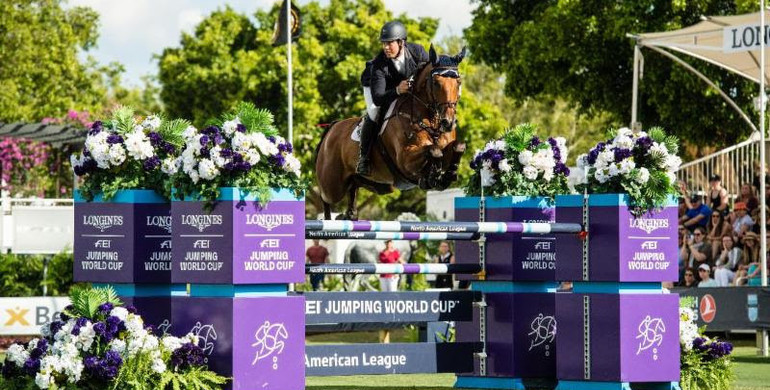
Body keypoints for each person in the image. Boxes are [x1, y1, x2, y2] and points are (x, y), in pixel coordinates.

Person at [356, 20, 429, 175]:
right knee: (374, 113)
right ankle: (364, 158)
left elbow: (430, 72)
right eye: (384, 44)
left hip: (402, 88)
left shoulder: (418, 52)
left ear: (401, 42)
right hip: (376, 89)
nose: (386, 48)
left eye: (389, 43)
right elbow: (378, 98)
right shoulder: (378, 65)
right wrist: (396, 90)